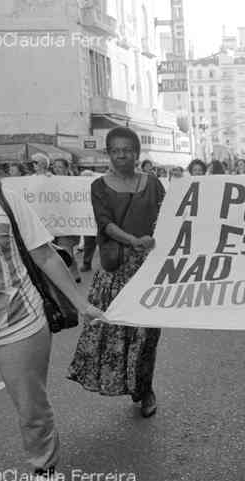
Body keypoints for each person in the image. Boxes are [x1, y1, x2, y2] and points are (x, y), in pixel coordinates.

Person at [0, 129, 104, 481]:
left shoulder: (3, 198)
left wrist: (81, 302)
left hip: (20, 326)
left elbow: (42, 252)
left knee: (31, 410)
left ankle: (44, 468)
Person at [67, 127, 165, 418]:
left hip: (149, 270)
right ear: (108, 153)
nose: (121, 154)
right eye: (115, 150)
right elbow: (105, 223)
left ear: (137, 152)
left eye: (127, 149)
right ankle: (120, 382)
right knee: (113, 333)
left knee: (147, 337)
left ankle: (144, 390)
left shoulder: (154, 183)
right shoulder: (99, 185)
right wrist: (133, 240)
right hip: (117, 269)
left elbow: (167, 216)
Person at [48, 160, 82, 283]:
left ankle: (71, 275)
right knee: (61, 250)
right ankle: (74, 272)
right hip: (54, 221)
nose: (57, 169)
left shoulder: (73, 182)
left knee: (66, 249)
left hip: (69, 222)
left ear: (67, 169)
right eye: (55, 167)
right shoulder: (49, 181)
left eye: (60, 167)